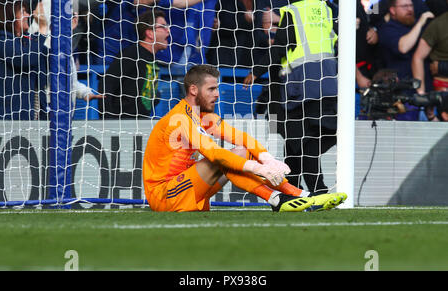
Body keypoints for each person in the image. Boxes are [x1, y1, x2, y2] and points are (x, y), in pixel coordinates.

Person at [142, 64, 347, 212]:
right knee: (222, 159)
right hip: (164, 194)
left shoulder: (204, 116)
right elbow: (214, 153)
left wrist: (267, 160)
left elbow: (243, 138)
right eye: (211, 89)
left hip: (185, 187)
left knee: (241, 152)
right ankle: (278, 199)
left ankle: (300, 195)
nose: (217, 94)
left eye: (217, 88)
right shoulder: (180, 118)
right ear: (194, 90)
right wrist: (259, 169)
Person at [243, 0, 338, 195]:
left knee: (302, 142)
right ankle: (292, 191)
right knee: (302, 141)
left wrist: (255, 71)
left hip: (298, 87)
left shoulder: (293, 11)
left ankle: (316, 191)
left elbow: (280, 47)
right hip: (328, 83)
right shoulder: (328, 10)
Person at [99, 9, 170, 119]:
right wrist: (107, 120)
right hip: (122, 125)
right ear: (150, 33)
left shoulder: (152, 59)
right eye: (163, 26)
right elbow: (107, 83)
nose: (168, 31)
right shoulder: (132, 54)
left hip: (140, 125)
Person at [377, 0, 434, 120]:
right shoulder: (387, 29)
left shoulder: (420, 26)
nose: (409, 9)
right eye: (404, 6)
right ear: (392, 10)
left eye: (410, 5)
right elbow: (403, 47)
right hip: (402, 97)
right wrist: (420, 23)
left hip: (426, 94)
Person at [0, 0, 49, 120]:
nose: (28, 15)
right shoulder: (2, 40)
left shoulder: (27, 42)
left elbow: (43, 76)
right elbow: (26, 59)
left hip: (33, 118)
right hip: (7, 121)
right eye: (23, 12)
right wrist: (42, 29)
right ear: (9, 14)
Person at [412, 10, 448, 121]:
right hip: (443, 88)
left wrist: (443, 67)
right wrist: (421, 93)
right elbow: (418, 57)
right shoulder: (439, 24)